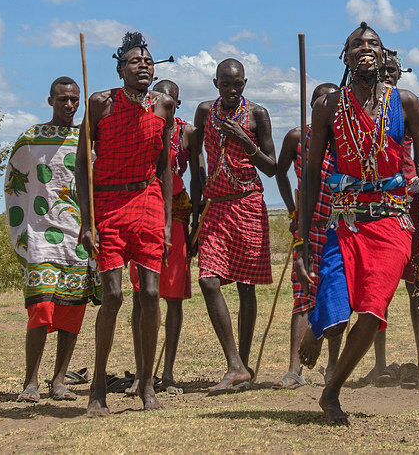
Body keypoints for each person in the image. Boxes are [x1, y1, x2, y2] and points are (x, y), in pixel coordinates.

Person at [296, 22, 419, 425]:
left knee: (373, 312)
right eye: (357, 44)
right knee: (338, 314)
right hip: (344, 222)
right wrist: (302, 239)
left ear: (385, 55)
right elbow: (311, 174)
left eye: (373, 43)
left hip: (393, 224)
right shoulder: (328, 106)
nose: (366, 48)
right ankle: (319, 324)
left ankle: (331, 393)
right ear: (345, 57)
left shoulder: (407, 102)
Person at [76, 32, 176, 416]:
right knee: (113, 295)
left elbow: (165, 165)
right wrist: (87, 221)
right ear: (120, 69)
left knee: (150, 293)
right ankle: (98, 386)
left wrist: (166, 221)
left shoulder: (163, 105)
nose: (144, 65)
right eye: (135, 61)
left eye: (148, 61)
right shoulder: (101, 103)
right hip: (108, 200)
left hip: (148, 197)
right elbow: (83, 164)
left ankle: (147, 384)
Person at [5, 77, 101, 403]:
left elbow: (98, 184)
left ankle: (59, 379)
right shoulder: (31, 139)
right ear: (50, 100)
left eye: (75, 100)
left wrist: (94, 227)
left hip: (78, 236)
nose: (70, 105)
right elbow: (14, 182)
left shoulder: (87, 140)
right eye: (63, 99)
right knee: (42, 307)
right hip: (39, 235)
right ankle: (30, 382)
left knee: (72, 310)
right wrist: (22, 230)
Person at [188, 58, 277, 395]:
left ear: (245, 83)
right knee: (208, 281)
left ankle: (242, 364)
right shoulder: (204, 112)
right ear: (215, 84)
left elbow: (271, 167)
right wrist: (197, 214)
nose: (231, 90)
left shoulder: (257, 115)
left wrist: (245, 139)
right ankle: (235, 364)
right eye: (225, 84)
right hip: (215, 205)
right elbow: (197, 156)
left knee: (246, 285)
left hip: (249, 203)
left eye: (237, 84)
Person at [363, 51, 419, 389]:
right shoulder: (362, 107)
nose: (387, 75)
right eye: (382, 70)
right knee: (379, 285)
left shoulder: (406, 107)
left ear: (400, 74)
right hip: (374, 202)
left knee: (415, 283)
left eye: (392, 70)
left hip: (409, 202)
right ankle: (380, 365)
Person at [125, 79, 192, 396]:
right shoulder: (136, 127)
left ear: (178, 103)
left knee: (173, 299)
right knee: (142, 296)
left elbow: (200, 175)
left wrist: (196, 225)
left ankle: (167, 374)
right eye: (159, 96)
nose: (165, 102)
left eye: (172, 98)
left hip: (177, 219)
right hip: (142, 217)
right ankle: (142, 375)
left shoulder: (186, 133)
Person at [274, 82, 342, 389]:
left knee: (335, 297)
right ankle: (294, 369)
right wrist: (292, 211)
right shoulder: (298, 137)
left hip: (340, 227)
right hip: (310, 226)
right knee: (304, 296)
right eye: (320, 102)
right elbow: (280, 172)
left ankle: (333, 367)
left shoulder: (347, 140)